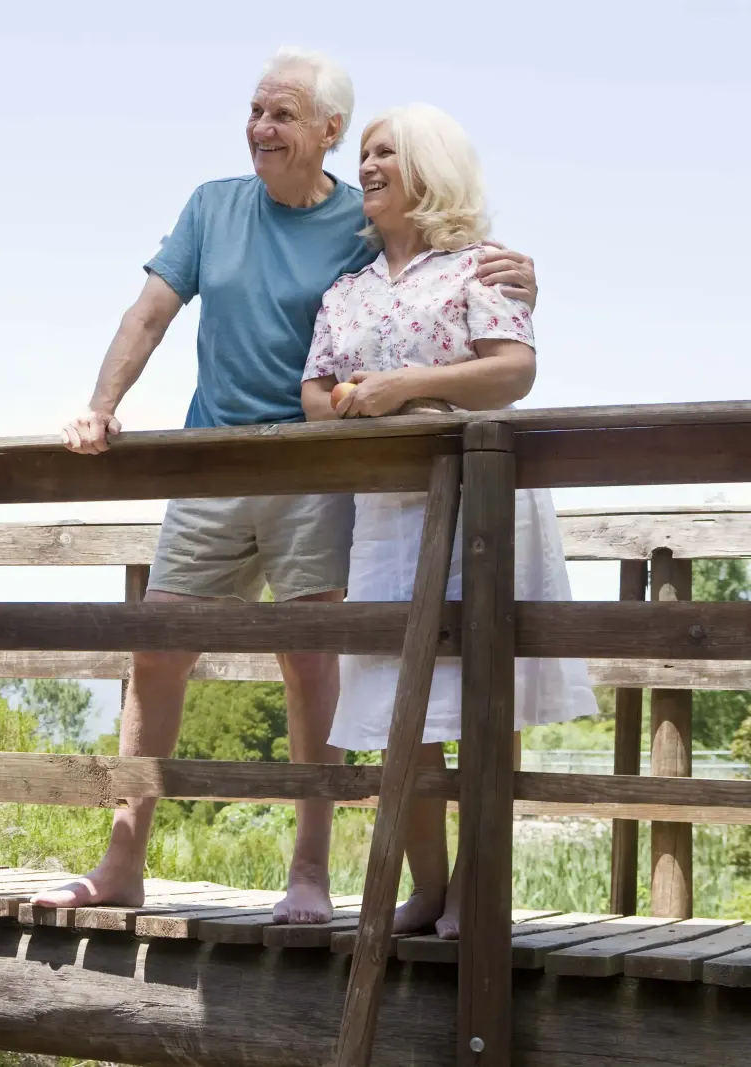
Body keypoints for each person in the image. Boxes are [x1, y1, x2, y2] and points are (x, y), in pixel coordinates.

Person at [37, 46, 539, 923]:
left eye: (282, 116)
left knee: (312, 668)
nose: (260, 129)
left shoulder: (361, 217)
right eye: (256, 111)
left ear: (329, 132)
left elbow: (445, 252)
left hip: (317, 472)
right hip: (211, 459)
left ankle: (309, 872)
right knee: (156, 651)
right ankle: (121, 862)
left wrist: (523, 273)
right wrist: (99, 407)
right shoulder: (212, 206)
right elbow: (149, 311)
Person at [301, 103, 597, 937]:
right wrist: (351, 406)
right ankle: (427, 887)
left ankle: (474, 889)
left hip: (478, 508)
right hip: (388, 513)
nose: (366, 165)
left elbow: (513, 371)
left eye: (384, 151)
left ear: (430, 167)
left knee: (477, 704)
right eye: (363, 153)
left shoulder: (480, 269)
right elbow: (315, 391)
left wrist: (408, 386)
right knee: (405, 710)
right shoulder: (347, 290)